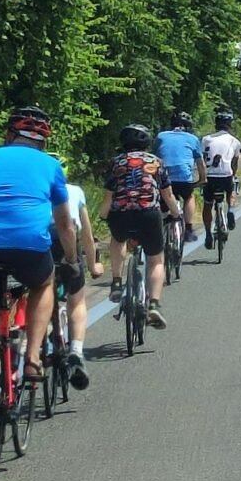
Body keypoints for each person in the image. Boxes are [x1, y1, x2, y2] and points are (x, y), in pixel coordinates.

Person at [0, 107, 78, 447]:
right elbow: (65, 225)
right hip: (27, 243)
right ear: (43, 142)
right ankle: (34, 358)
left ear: (9, 135)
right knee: (43, 283)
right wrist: (72, 259)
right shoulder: (51, 166)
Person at [101, 124, 179, 329]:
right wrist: (176, 214)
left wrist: (102, 216)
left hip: (120, 215)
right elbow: (167, 195)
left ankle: (117, 282)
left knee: (117, 241)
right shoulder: (155, 162)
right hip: (149, 214)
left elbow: (108, 196)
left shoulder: (115, 163)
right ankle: (153, 304)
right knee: (156, 259)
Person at [53, 159, 105, 390]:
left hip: (34, 245)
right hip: (65, 244)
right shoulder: (74, 191)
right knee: (76, 301)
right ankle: (75, 350)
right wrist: (93, 265)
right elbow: (86, 235)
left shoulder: (31, 192)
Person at [154, 112, 205, 242]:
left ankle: (160, 228)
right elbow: (200, 163)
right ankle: (188, 228)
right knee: (189, 196)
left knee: (163, 200)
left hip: (164, 178)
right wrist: (202, 179)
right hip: (184, 178)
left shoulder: (161, 136)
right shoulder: (192, 138)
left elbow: (154, 156)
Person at [200, 110, 241, 251]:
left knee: (207, 204)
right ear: (230, 125)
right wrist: (233, 174)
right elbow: (234, 163)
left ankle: (207, 234)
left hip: (210, 176)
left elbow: (202, 158)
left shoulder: (206, 139)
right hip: (226, 175)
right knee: (231, 189)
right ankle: (230, 209)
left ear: (216, 124)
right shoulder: (234, 141)